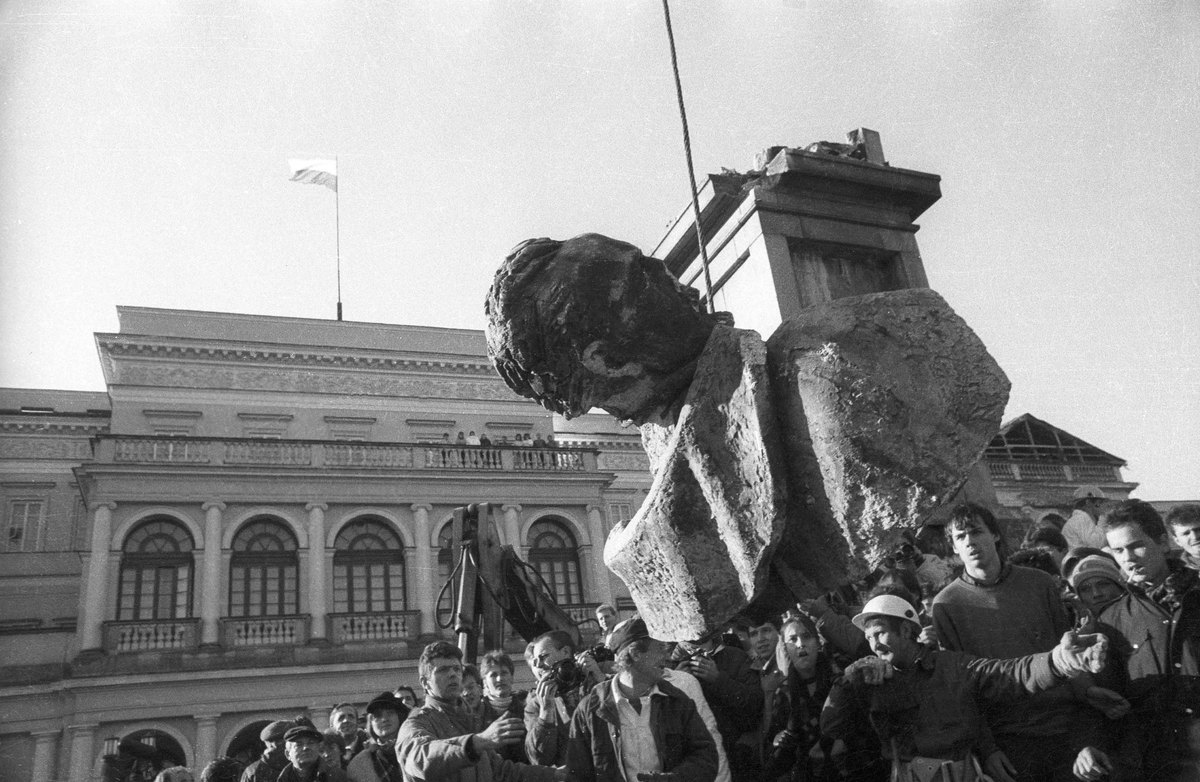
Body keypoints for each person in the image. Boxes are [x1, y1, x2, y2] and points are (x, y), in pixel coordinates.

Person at [485, 234, 1008, 641]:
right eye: (641, 275)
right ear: (606, 358)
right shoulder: (830, 369)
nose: (669, 273)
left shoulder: (845, 345)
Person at [822, 595, 1109, 782]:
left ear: (907, 631)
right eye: (869, 638)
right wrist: (847, 681)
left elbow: (1009, 674)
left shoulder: (953, 667)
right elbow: (832, 726)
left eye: (880, 633)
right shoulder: (867, 680)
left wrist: (1059, 661)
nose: (874, 645)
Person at [931, 503, 1113, 782]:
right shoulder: (946, 605)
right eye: (960, 536)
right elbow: (960, 687)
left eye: (976, 532)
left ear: (994, 535)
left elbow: (1067, 649)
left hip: (1065, 726)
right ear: (954, 547)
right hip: (1009, 737)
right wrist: (988, 749)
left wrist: (1089, 692)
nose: (970, 542)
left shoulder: (1039, 584)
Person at [1088, 499, 1200, 779]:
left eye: (1135, 546)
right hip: (1162, 763)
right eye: (1118, 551)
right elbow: (1111, 700)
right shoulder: (1111, 621)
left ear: (1162, 543)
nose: (1128, 558)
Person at [566, 616, 718, 781]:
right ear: (636, 653)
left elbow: (706, 758)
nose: (667, 656)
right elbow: (577, 775)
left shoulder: (676, 701)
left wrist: (672, 779)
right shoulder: (591, 709)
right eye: (660, 648)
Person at [395, 640, 563, 781]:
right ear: (425, 683)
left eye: (456, 669)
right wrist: (478, 742)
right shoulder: (416, 724)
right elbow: (421, 759)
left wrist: (554, 774)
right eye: (443, 670)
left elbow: (501, 771)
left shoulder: (470, 719)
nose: (453, 674)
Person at [670, 629, 762, 780]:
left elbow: (754, 704)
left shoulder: (735, 656)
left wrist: (718, 679)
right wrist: (675, 683)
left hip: (733, 754)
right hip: (691, 759)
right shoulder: (671, 663)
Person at [524, 630, 602, 766]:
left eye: (543, 657)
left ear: (566, 652)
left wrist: (600, 679)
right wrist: (546, 712)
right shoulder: (536, 705)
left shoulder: (596, 684)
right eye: (535, 661)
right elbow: (539, 759)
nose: (539, 665)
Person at [479, 650, 529, 764]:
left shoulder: (526, 710)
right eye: (493, 675)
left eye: (504, 673)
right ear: (485, 682)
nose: (499, 679)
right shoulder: (477, 712)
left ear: (512, 678)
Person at [347, 691, 409, 782]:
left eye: (390, 713)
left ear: (399, 717)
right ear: (371, 723)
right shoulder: (359, 763)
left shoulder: (415, 748)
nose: (384, 719)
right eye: (378, 716)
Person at [1062, 485, 1110, 551]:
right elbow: (1096, 544)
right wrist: (1103, 521)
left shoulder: (1080, 518)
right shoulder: (1081, 519)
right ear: (1088, 503)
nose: (1103, 506)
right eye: (1100, 502)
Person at [1167, 503, 1200, 571]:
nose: (1194, 537)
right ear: (1177, 541)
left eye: (1197, 530)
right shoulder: (1174, 570)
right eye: (1186, 533)